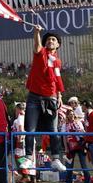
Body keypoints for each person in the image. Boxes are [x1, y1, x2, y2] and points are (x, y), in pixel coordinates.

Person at [24, 25, 66, 173]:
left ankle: (55, 158)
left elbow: (56, 79)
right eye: (48, 39)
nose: (51, 41)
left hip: (51, 97)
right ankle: (28, 158)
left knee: (53, 129)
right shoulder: (40, 53)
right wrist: (36, 32)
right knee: (30, 129)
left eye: (54, 40)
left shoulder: (57, 61)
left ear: (58, 44)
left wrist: (59, 96)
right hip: (34, 96)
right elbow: (36, 45)